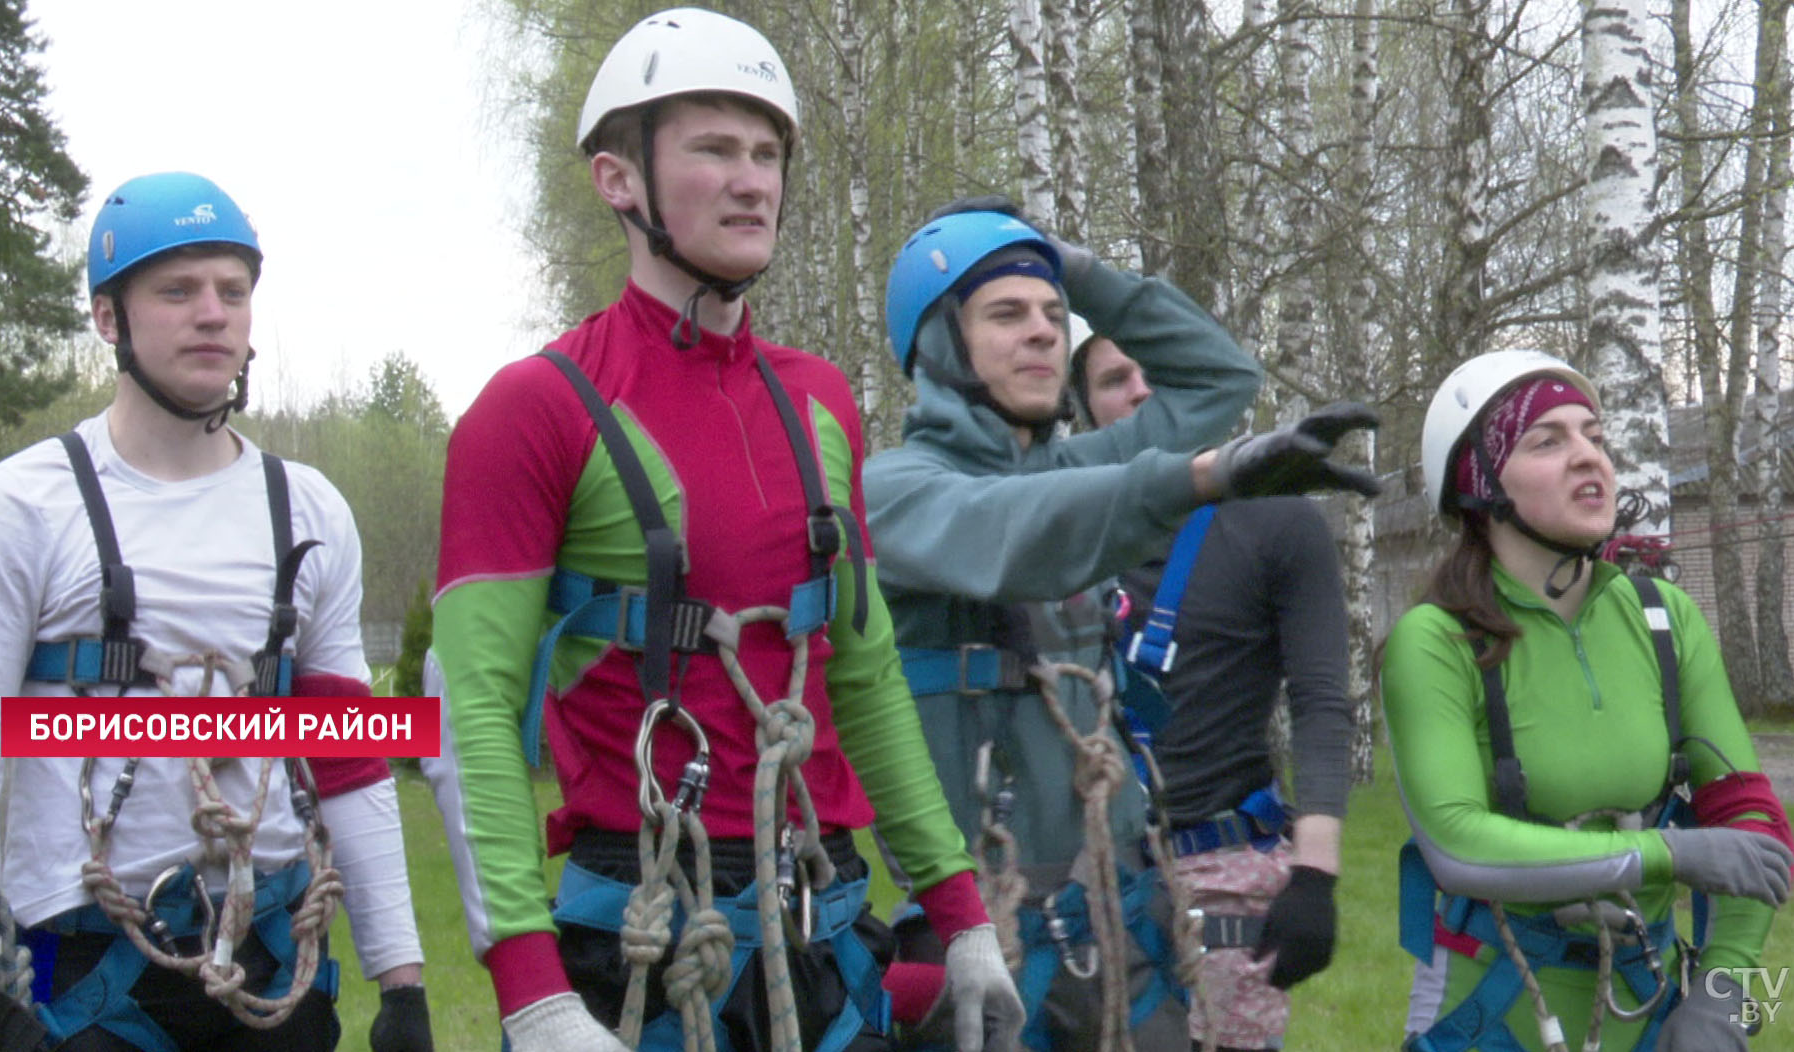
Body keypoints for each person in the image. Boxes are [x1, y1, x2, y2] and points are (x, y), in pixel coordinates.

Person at [419, 9, 1021, 1052]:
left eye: (766, 153)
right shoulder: (537, 408)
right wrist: (530, 988)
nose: (753, 181)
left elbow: (866, 673)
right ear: (619, 179)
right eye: (713, 149)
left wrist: (962, 914)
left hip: (822, 932)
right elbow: (469, 706)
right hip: (640, 947)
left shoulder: (820, 400)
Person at [863, 201, 1379, 1051]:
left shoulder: (1070, 465)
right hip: (979, 934)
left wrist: (1071, 265)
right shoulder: (892, 492)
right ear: (937, 347)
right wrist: (1208, 475)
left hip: (1120, 921)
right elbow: (1021, 532)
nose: (1042, 333)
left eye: (1048, 315)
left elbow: (1220, 381)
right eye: (1004, 314)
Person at [0, 171, 432, 1052]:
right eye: (178, 290)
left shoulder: (310, 509)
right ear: (109, 318)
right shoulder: (21, 506)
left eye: (233, 291)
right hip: (78, 975)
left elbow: (350, 753)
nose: (213, 313)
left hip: (271, 965)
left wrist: (400, 981)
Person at [1382, 349, 1794, 1052]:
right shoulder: (1434, 641)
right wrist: (1669, 853)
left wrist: (1724, 999)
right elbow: (1457, 846)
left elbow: (1754, 829)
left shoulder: (1662, 618)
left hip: (1654, 1008)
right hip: (1491, 1017)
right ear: (1477, 484)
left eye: (1594, 437)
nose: (1588, 458)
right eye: (1548, 441)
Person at [1069, 325, 1351, 1052]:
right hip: (1075, 876)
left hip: (1220, 877)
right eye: (1113, 379)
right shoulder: (1056, 528)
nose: (1140, 389)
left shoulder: (1277, 521)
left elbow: (1320, 701)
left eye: (1158, 370)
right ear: (1086, 410)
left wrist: (1314, 874)